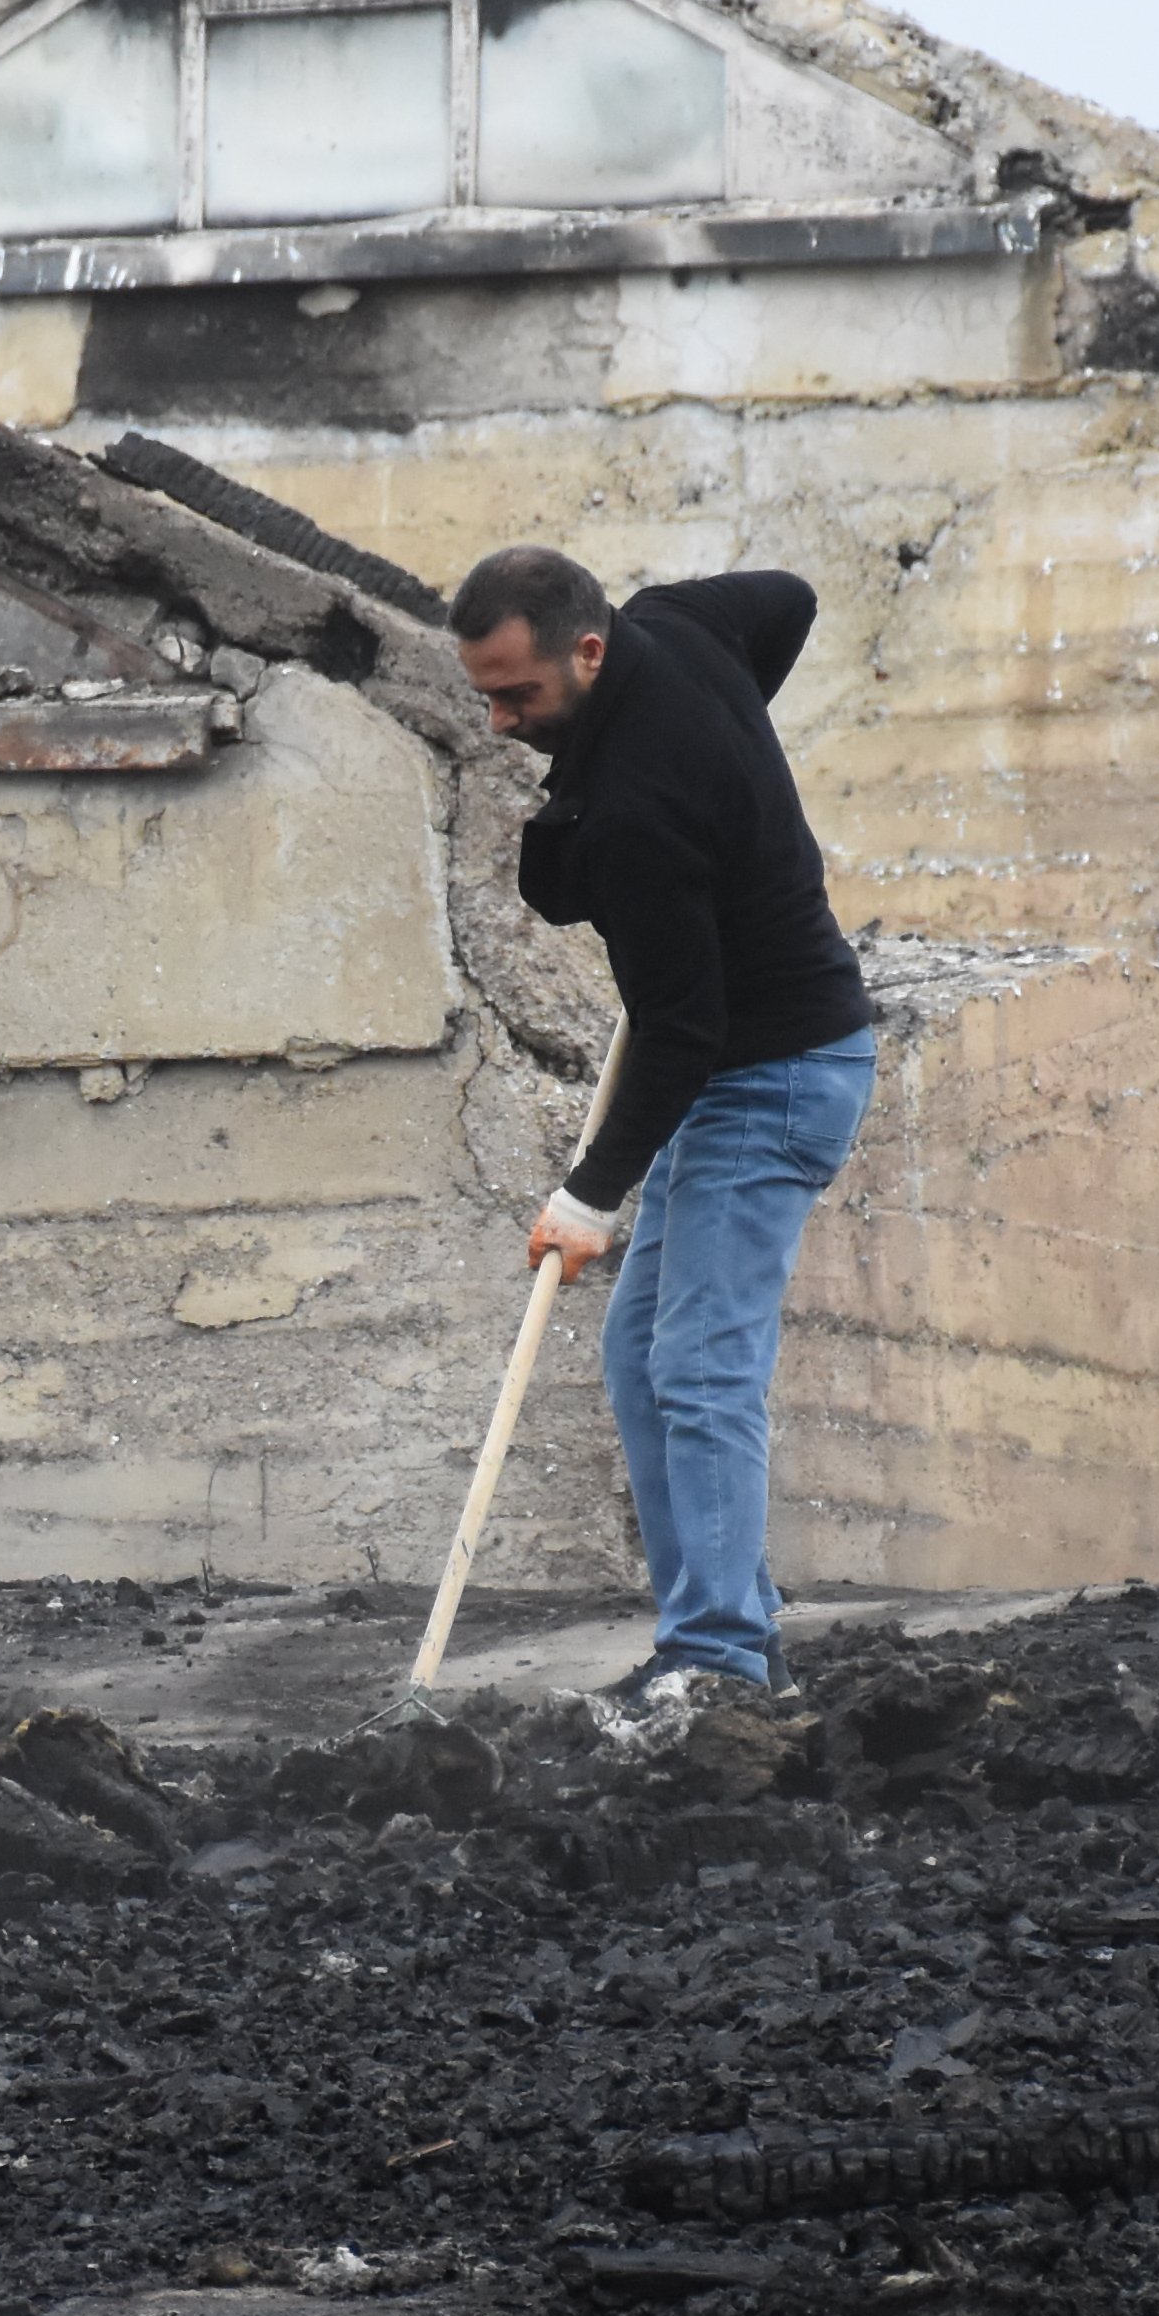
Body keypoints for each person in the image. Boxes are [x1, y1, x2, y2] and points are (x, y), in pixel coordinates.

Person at [449, 543, 880, 1722]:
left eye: (519, 696)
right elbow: (791, 597)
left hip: (774, 1073)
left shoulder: (639, 810)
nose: (497, 722)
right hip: (739, 1070)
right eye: (484, 692)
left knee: (700, 1367)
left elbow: (679, 1032)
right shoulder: (677, 627)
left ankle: (722, 1655)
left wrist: (588, 1198)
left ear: (588, 652)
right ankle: (729, 1621)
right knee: (642, 1361)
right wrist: (738, 739)